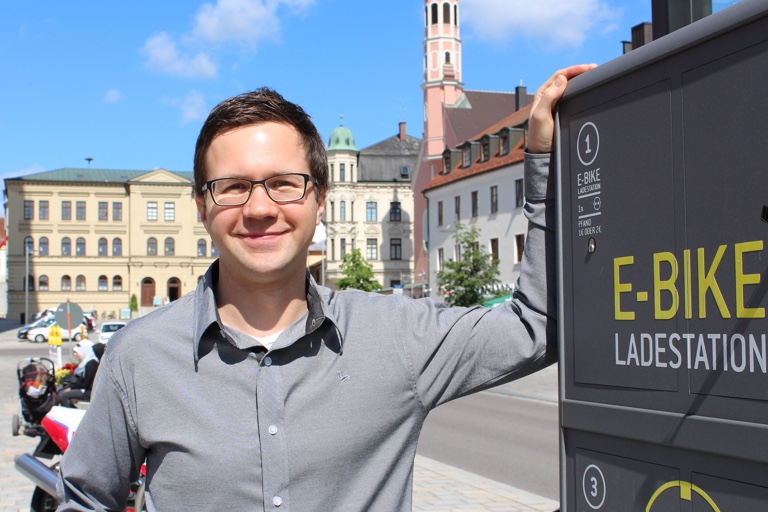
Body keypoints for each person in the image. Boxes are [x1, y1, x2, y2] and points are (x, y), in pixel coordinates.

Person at [57, 63, 596, 511]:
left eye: (284, 184)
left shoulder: (397, 336)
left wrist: (542, 162)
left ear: (320, 201)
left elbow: (536, 326)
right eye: (233, 186)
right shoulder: (140, 356)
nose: (260, 208)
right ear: (202, 207)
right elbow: (86, 499)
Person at [57, 341, 102, 408]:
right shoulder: (85, 363)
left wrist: (71, 388)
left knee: (63, 396)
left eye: (76, 352)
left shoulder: (90, 364)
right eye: (74, 352)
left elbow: (85, 384)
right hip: (86, 390)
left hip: (89, 392)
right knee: (60, 391)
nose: (75, 354)